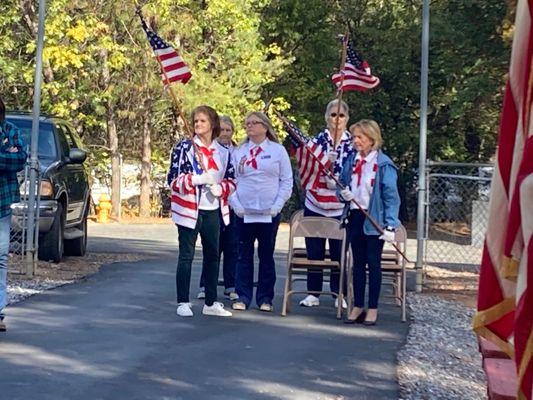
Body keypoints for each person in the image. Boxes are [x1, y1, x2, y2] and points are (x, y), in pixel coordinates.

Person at [167, 105, 235, 317]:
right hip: (189, 210)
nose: (198, 124)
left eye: (203, 121)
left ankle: (211, 302)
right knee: (186, 255)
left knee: (213, 255)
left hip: (213, 209)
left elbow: (232, 180)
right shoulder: (184, 148)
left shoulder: (223, 152)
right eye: (195, 121)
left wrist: (221, 189)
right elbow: (173, 180)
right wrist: (197, 179)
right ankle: (183, 301)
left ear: (212, 124)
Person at [338, 119, 400, 325]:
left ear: (372, 139)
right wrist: (343, 193)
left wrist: (390, 225)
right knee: (357, 264)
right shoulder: (351, 160)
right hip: (355, 216)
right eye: (354, 137)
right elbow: (343, 183)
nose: (356, 141)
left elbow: (391, 196)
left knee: (373, 263)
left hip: (374, 219)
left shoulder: (383, 165)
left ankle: (372, 308)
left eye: (360, 137)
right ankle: (357, 306)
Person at [229, 112, 293, 312]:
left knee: (266, 255)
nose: (249, 127)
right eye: (247, 123)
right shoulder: (239, 152)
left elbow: (286, 180)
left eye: (254, 123)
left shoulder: (277, 151)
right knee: (243, 255)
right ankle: (242, 295)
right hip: (244, 211)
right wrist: (235, 203)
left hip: (268, 212)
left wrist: (278, 204)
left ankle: (265, 298)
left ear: (265, 127)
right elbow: (230, 181)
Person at [298, 99, 353, 309]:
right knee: (315, 250)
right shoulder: (317, 142)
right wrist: (323, 167)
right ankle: (313, 293)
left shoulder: (352, 143)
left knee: (340, 251)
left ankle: (339, 293)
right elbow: (306, 170)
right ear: (326, 117)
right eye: (333, 115)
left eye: (341, 115)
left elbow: (355, 170)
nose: (336, 119)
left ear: (347, 118)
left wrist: (342, 184)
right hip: (316, 203)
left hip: (339, 206)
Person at [197, 115, 239, 301]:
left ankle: (230, 285)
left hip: (233, 205)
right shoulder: (210, 150)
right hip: (213, 204)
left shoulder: (237, 152)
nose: (224, 133)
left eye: (228, 130)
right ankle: (205, 285)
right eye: (221, 129)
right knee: (213, 247)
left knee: (232, 247)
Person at [0, 97, 27, 332]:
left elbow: (19, 159)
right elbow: (9, 158)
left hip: (2, 205)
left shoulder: (11, 131)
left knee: (0, 258)